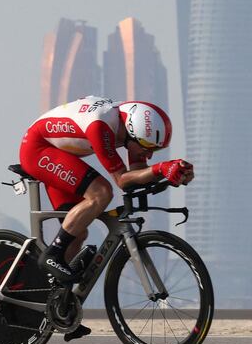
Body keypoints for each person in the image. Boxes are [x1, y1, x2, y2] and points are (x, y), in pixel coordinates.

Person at [19, 96, 193, 283]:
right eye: (147, 146)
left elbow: (138, 175)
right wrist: (161, 168)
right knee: (101, 192)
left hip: (59, 153)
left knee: (78, 233)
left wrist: (172, 174)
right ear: (131, 132)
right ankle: (52, 254)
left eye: (155, 150)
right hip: (38, 150)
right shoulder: (100, 126)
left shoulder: (128, 130)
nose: (149, 154)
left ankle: (51, 293)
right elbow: (123, 180)